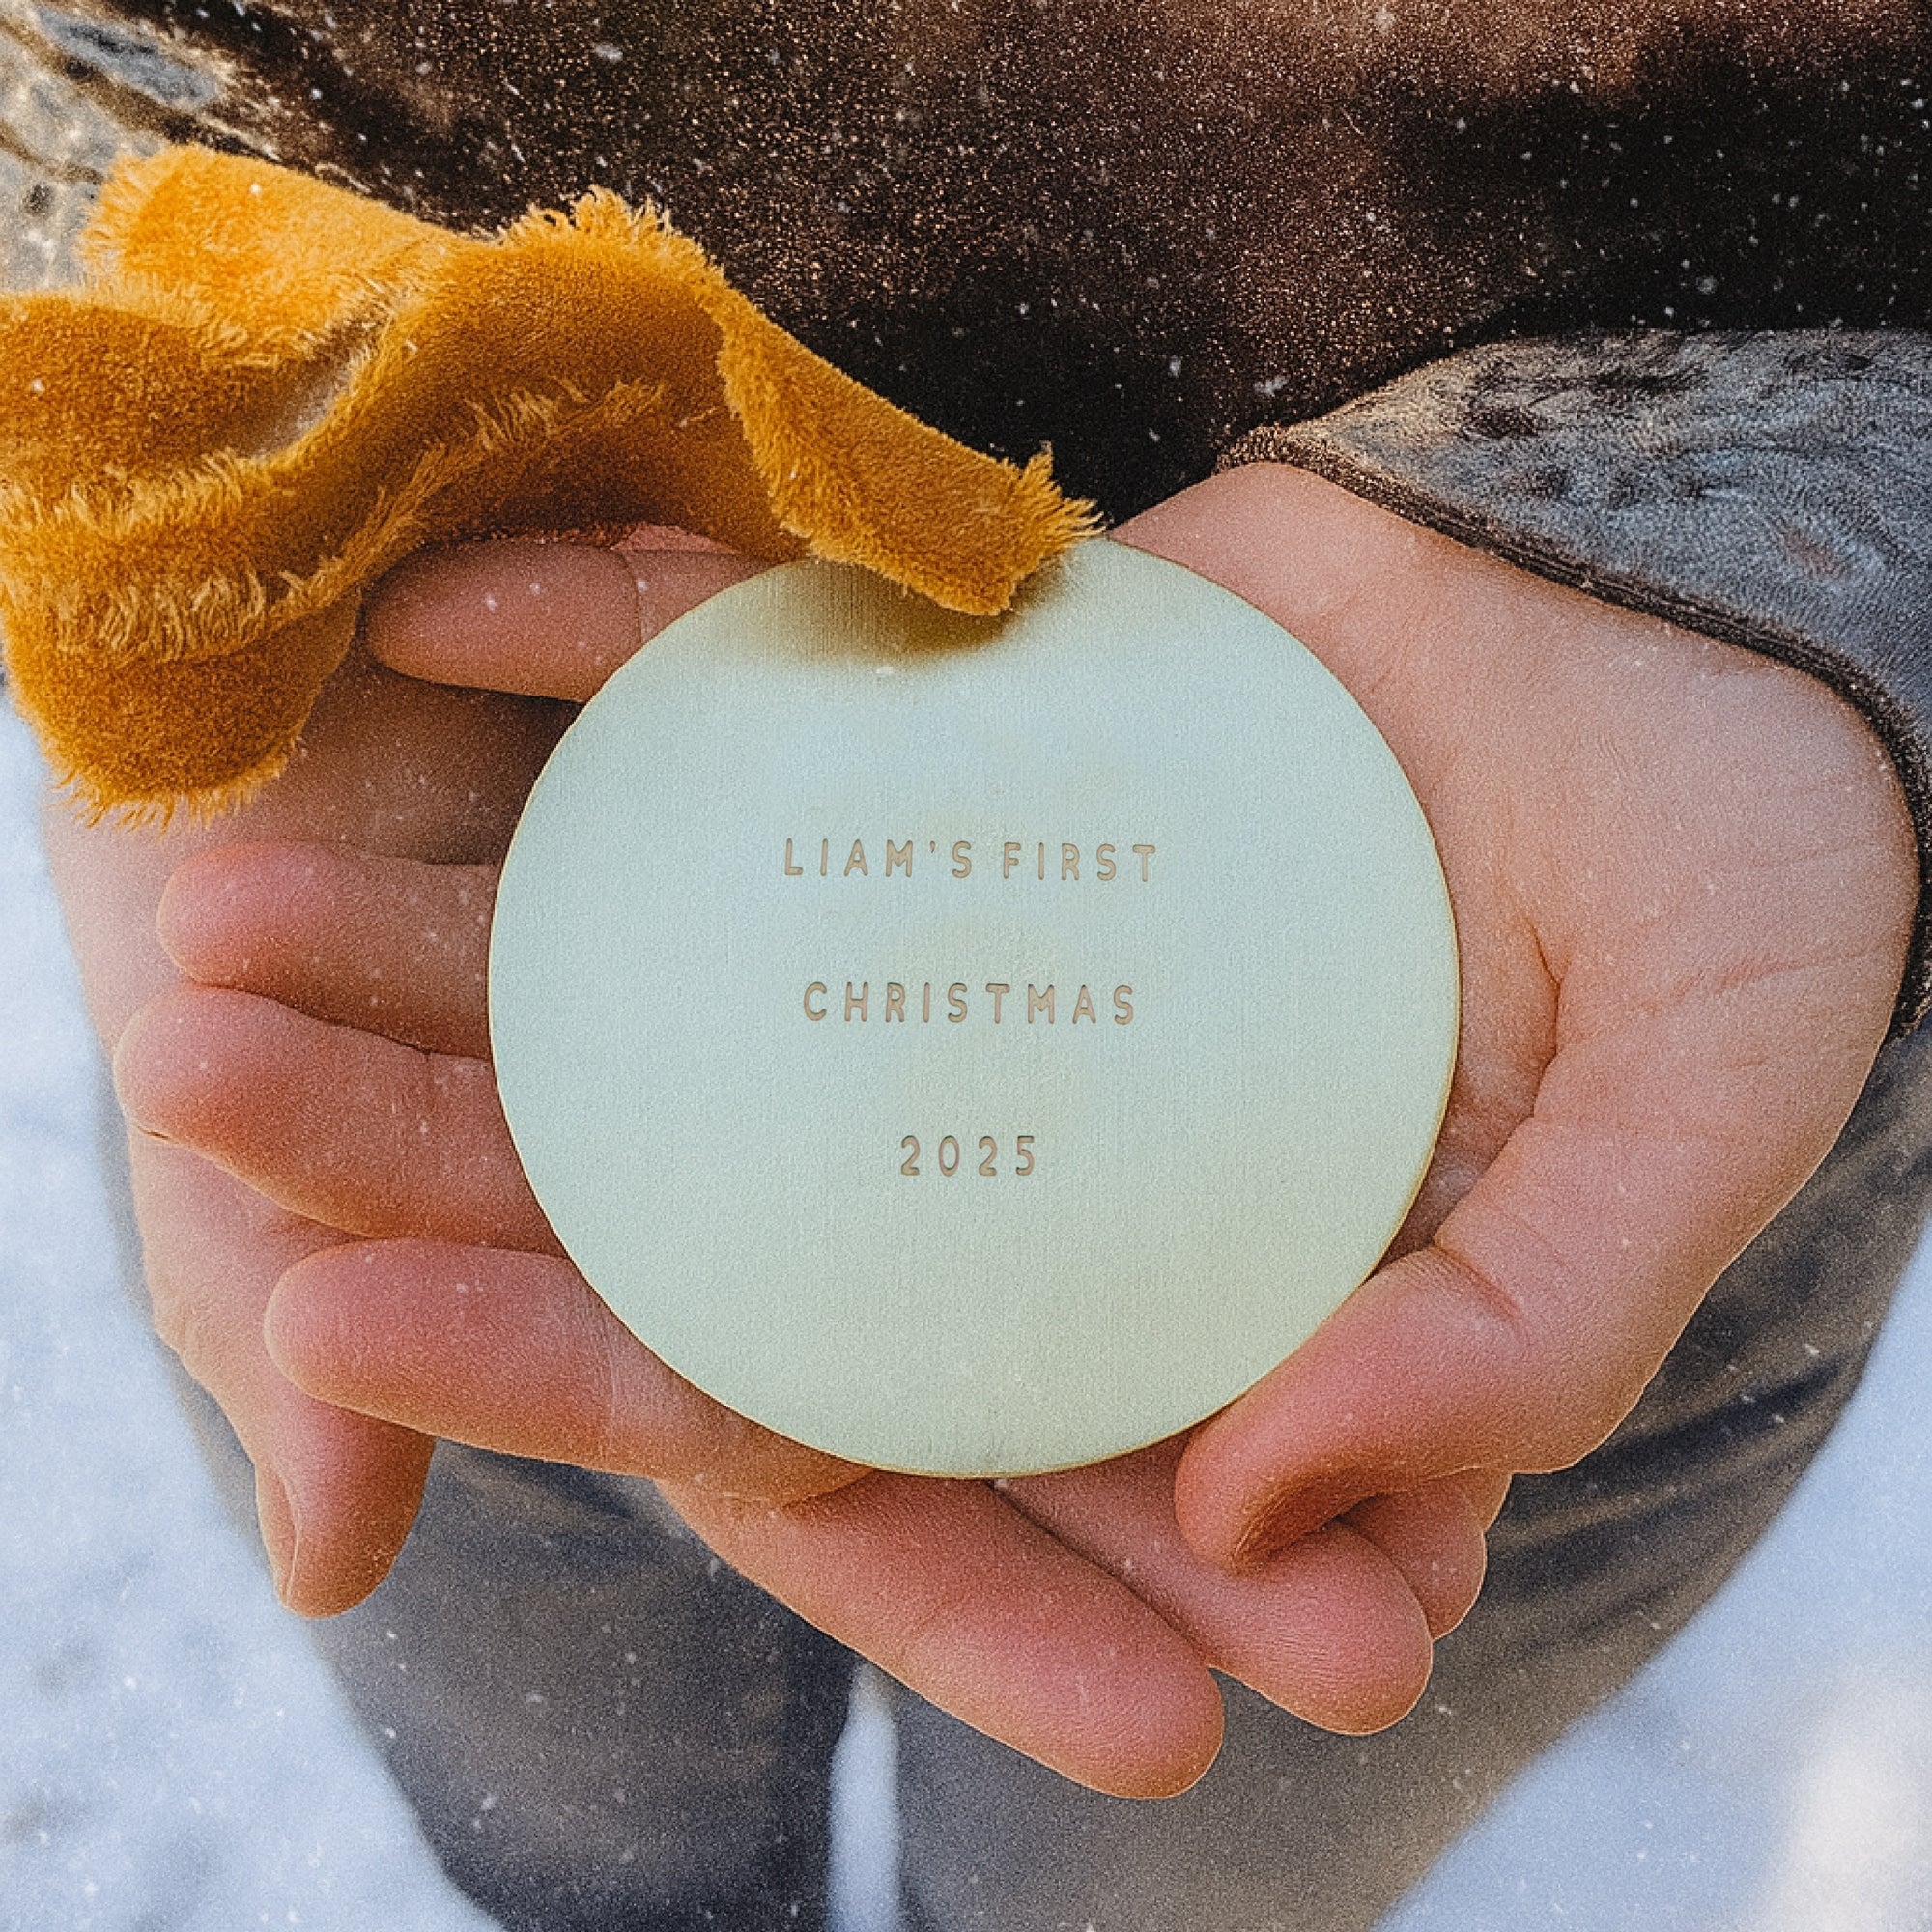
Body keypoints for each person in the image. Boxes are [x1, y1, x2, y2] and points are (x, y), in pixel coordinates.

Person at [12, 2, 1932, 1925]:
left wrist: (1799, 513)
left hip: (1499, 1078)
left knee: (1160, 1867)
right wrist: (171, 420)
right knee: (578, 1843)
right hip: (465, 937)